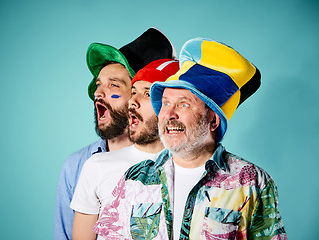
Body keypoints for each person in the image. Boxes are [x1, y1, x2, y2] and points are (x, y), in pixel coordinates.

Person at [94, 37, 287, 239]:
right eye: (165, 103)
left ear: (213, 120)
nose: (168, 115)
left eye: (183, 104)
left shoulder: (251, 182)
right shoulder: (134, 178)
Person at [53, 28, 176, 240]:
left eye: (114, 86)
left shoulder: (177, 161)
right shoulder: (78, 165)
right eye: (99, 85)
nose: (98, 93)